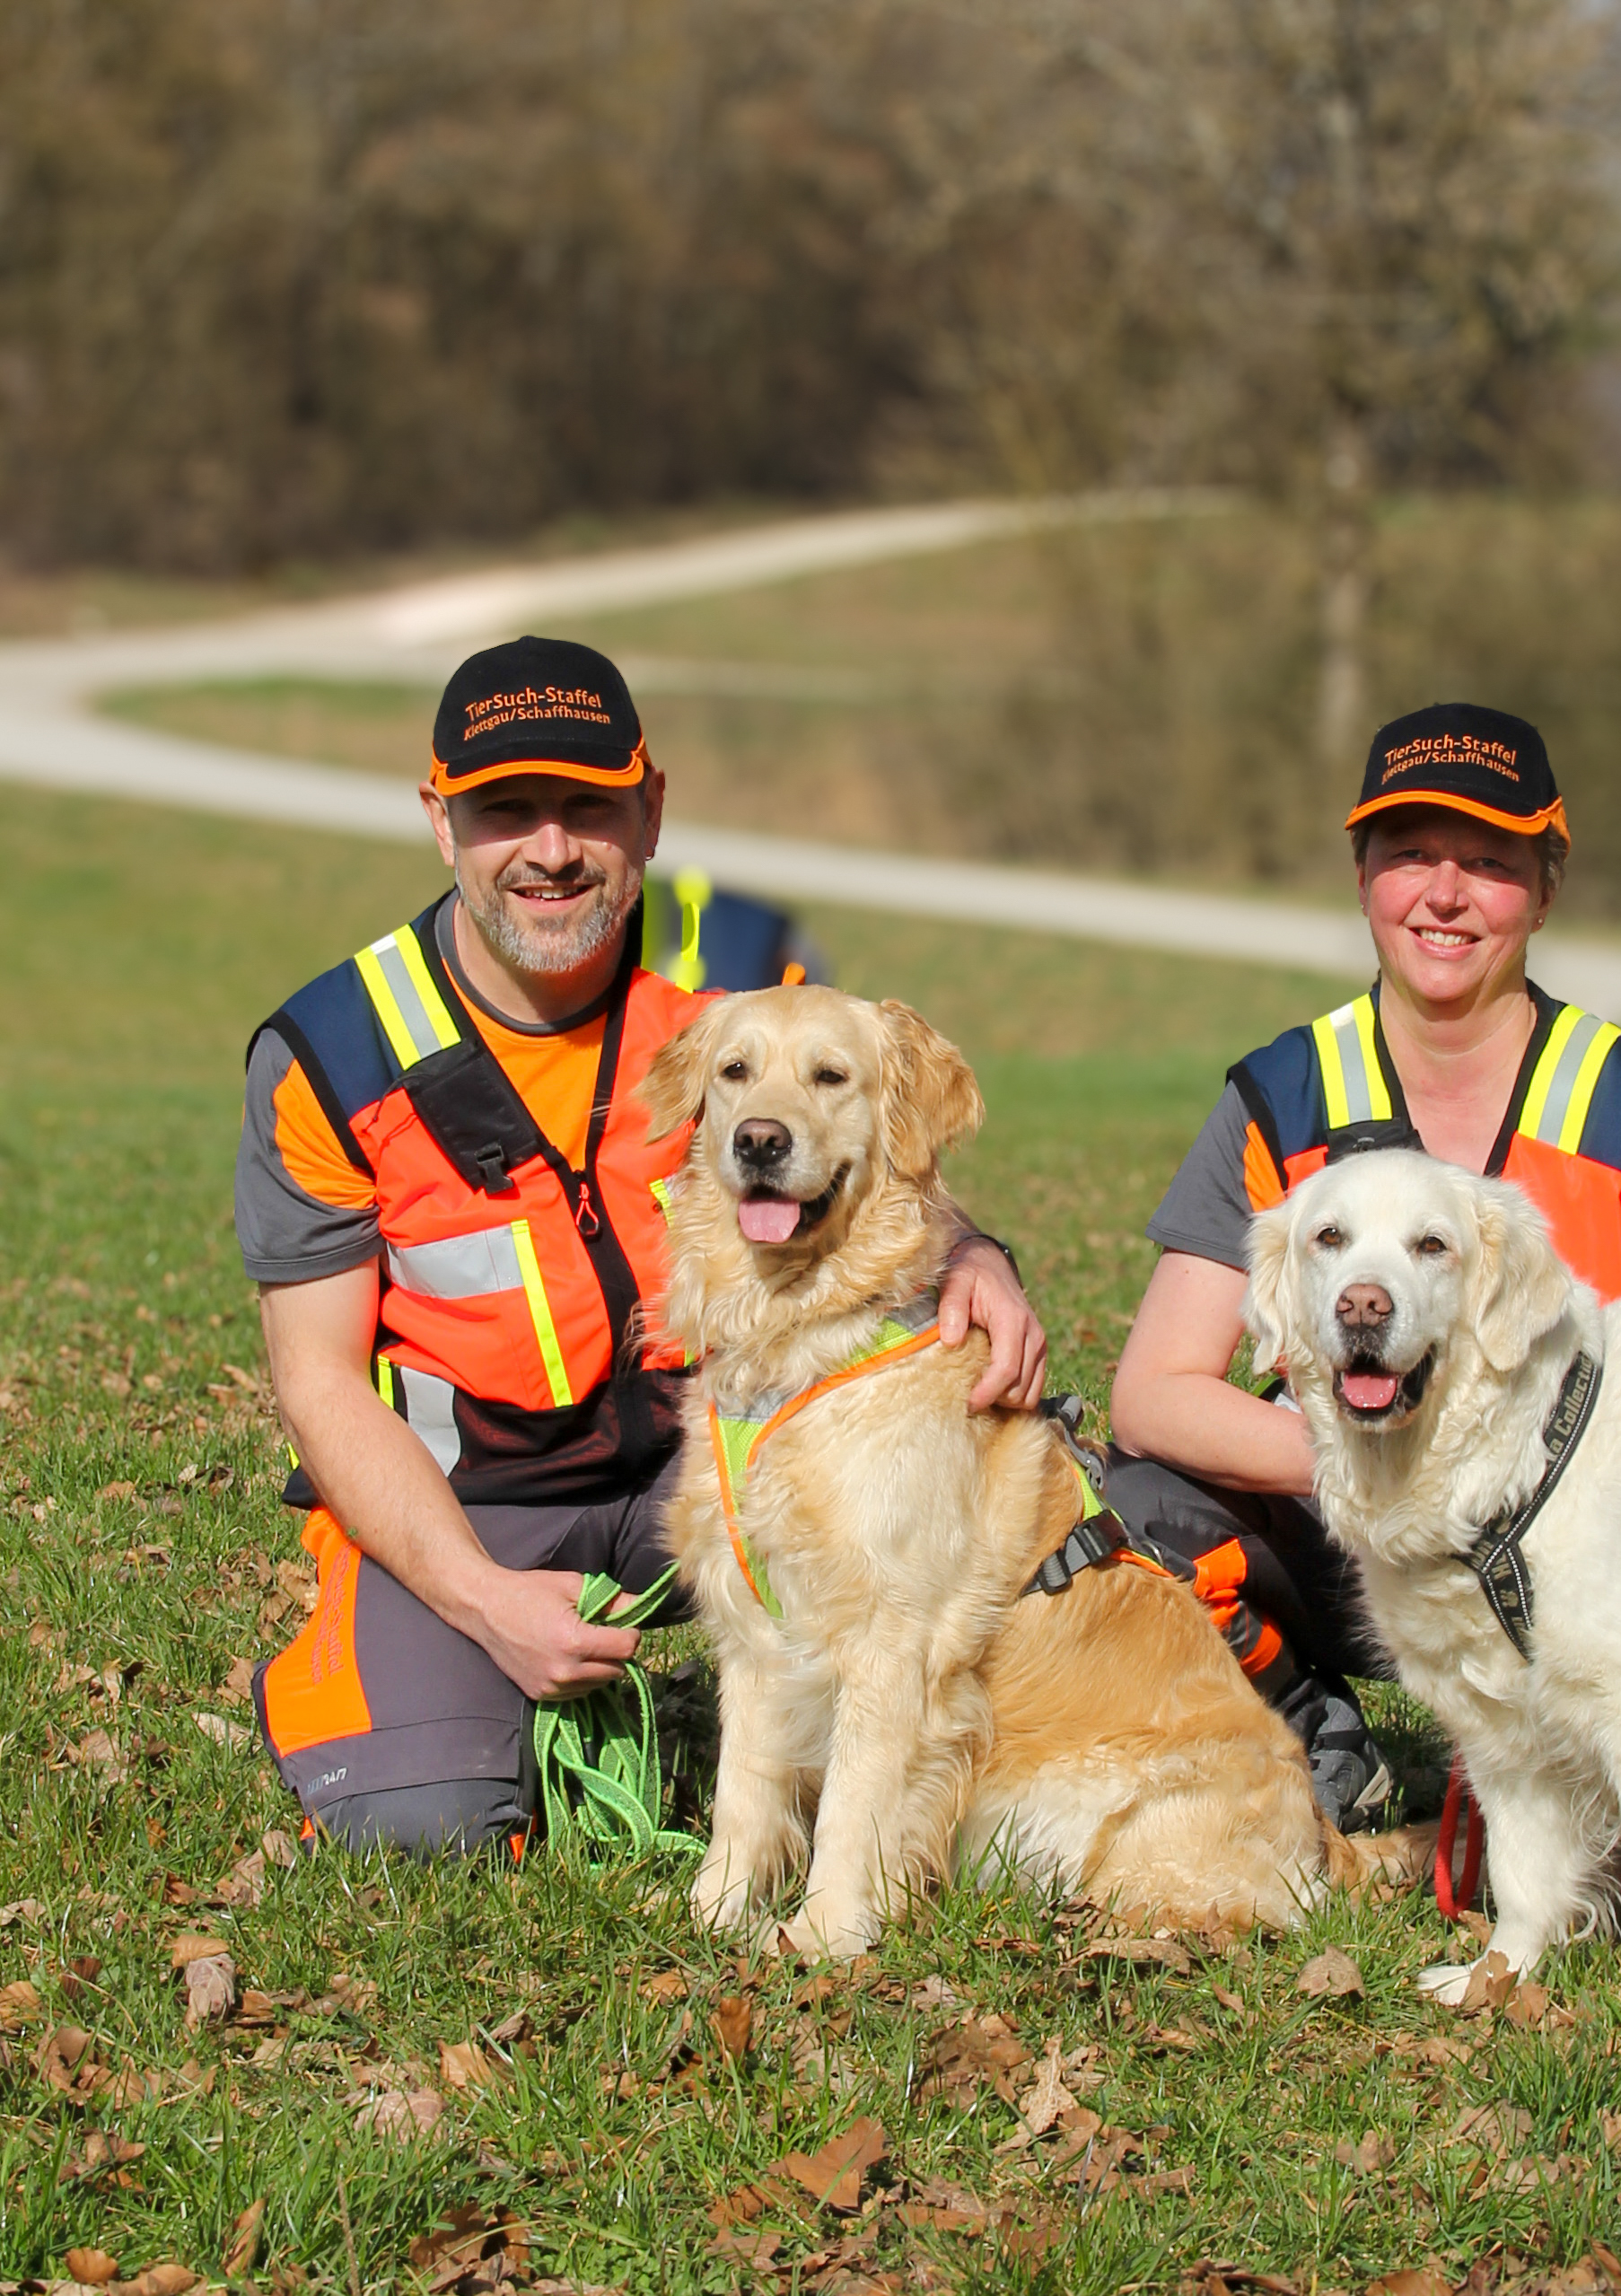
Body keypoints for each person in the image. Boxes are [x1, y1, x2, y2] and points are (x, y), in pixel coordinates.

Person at [236, 635, 1046, 1856]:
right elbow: (317, 1382)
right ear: (439, 820)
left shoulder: (737, 974)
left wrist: (976, 1252)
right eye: (507, 809)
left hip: (717, 1445)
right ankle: (406, 1679)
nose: (552, 848)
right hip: (479, 1501)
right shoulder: (332, 1053)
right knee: (420, 1827)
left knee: (1038, 1510)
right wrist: (482, 1601)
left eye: (589, 806)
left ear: (651, 808)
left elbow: (865, 1134)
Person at [1104, 702, 1621, 1829]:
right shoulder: (1283, 1090)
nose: (1443, 895)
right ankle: (1310, 1729)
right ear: (1361, 874)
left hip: (1583, 1555)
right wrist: (1381, 1476)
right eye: (1408, 854)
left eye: (1490, 862)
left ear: (1544, 888)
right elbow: (1152, 1390)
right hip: (1353, 1527)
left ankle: (1619, 1767)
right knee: (1124, 1511)